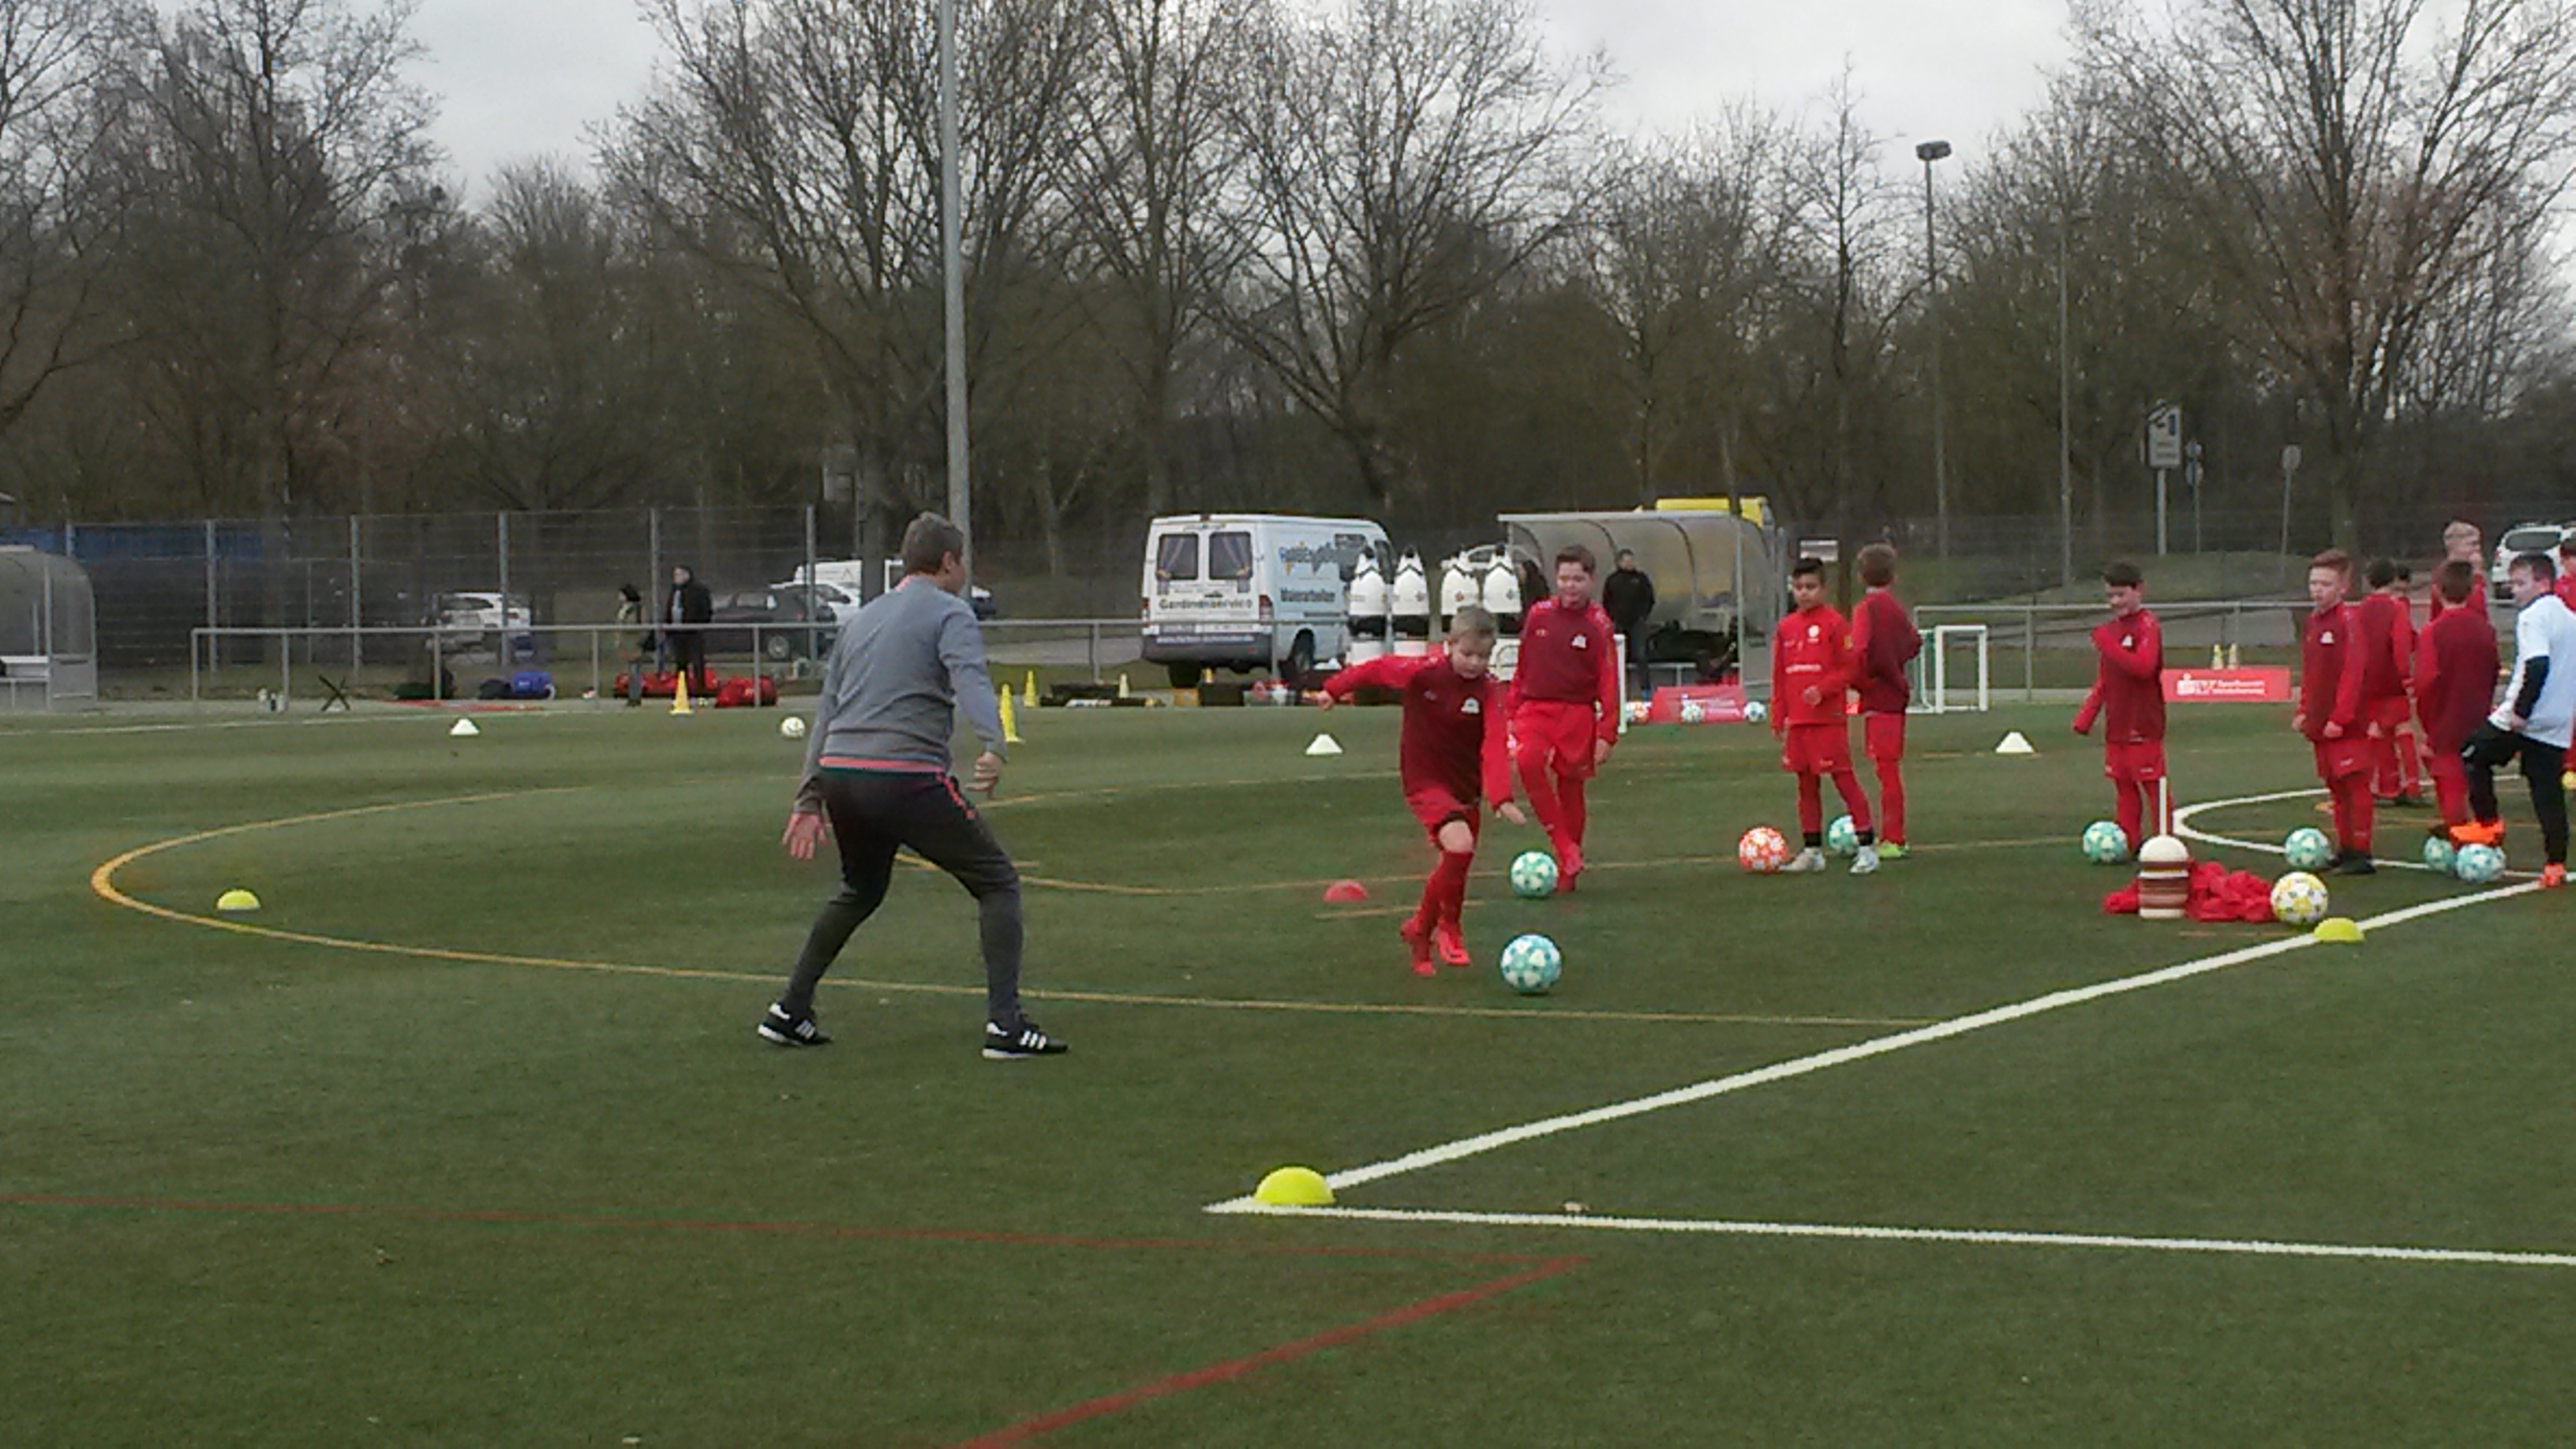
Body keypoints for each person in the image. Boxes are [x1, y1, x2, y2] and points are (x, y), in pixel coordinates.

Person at [758, 513, 1066, 1058]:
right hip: (903, 776)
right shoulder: (951, 613)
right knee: (997, 883)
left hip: (841, 776)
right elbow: (970, 676)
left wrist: (809, 796)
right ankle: (1006, 1025)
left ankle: (790, 1009)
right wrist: (993, 744)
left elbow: (828, 709)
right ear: (948, 562)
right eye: (962, 561)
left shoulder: (862, 619)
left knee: (860, 889)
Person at [1318, 607, 1529, 975]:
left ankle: (1420, 932)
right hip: (1425, 781)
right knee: (1459, 845)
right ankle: (1450, 929)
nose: (1474, 664)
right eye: (1467, 654)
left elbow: (1495, 745)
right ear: (1449, 645)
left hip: (1466, 788)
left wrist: (1500, 797)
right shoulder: (1423, 674)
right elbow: (1375, 669)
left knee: (1456, 867)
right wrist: (1334, 689)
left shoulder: (1491, 691)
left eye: (1482, 657)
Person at [2458, 551, 2574, 887]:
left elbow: (2537, 666)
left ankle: (2488, 823)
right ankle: (2555, 863)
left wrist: (2521, 712)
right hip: (2556, 720)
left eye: (2521, 583)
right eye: (2513, 583)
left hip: (2526, 715)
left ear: (2543, 582)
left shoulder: (2533, 617)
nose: (2515, 590)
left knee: (2471, 752)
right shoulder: (2569, 618)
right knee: (2547, 792)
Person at [1508, 545, 1619, 889]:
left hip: (1577, 713)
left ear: (1591, 581)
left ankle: (1568, 868)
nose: (1570, 586)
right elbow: (1522, 665)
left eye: (1578, 579)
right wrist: (1510, 710)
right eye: (1564, 579)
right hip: (1535, 708)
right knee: (1527, 761)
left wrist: (1607, 732)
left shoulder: (1598, 624)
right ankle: (1562, 843)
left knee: (1571, 787)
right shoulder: (1539, 614)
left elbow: (1608, 680)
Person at [1772, 556, 1877, 875]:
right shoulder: (1786, 627)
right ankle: (1812, 850)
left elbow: (1850, 668)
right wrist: (1779, 714)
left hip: (1827, 719)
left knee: (1844, 780)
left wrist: (1824, 688)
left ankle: (1867, 847)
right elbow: (1780, 675)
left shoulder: (1834, 624)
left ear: (1823, 589)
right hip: (1799, 723)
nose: (1804, 593)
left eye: (1811, 587)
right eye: (1799, 587)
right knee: (1805, 786)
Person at [2071, 560, 2165, 853]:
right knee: (2123, 787)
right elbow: (2105, 680)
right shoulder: (2111, 630)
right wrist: (2086, 716)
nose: (2115, 602)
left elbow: (2144, 667)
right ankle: (2129, 842)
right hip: (2117, 723)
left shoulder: (2148, 625)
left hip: (2143, 723)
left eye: (2121, 595)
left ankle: (2165, 844)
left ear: (2139, 591)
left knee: (2153, 787)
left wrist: (2107, 645)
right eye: (2110, 596)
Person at [2294, 549, 2376, 874]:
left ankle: (2362, 851)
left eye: (2325, 584)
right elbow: (2310, 671)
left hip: (2346, 725)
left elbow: (2353, 672)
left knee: (2355, 787)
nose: (2317, 590)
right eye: (2314, 583)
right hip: (2320, 724)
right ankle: (2345, 847)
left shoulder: (2348, 621)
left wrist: (2340, 718)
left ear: (2343, 586)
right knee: (2336, 788)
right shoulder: (2313, 622)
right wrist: (2304, 710)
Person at [2417, 560, 2501, 842]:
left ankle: (2458, 832)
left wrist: (2429, 724)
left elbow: (2426, 681)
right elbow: (2493, 669)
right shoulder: (2483, 628)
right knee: (2476, 772)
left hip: (2445, 715)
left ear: (2437, 590)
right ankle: (2486, 828)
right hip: (2478, 712)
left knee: (2448, 775)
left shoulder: (2433, 631)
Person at [1848, 543, 1920, 859]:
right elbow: (1914, 642)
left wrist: (1861, 680)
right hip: (1894, 693)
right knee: (1887, 767)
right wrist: (1895, 663)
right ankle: (1893, 835)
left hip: (1880, 696)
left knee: (1885, 768)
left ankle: (1894, 837)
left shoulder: (1866, 609)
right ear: (1894, 576)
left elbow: (1861, 650)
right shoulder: (1894, 608)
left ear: (1861, 575)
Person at [2354, 557, 2422, 806]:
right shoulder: (2396, 608)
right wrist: (2406, 677)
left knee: (2376, 730)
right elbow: (2401, 646)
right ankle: (2411, 786)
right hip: (2392, 680)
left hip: (2368, 680)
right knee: (2403, 729)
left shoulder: (2360, 610)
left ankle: (2384, 785)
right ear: (2393, 579)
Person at [1602, 549, 1658, 702]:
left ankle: (1646, 691)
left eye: (1631, 560)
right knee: (1619, 658)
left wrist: (1642, 616)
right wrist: (1613, 618)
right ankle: (1619, 692)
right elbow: (1607, 601)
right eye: (1626, 561)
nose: (1629, 563)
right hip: (1619, 623)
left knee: (1641, 655)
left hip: (1637, 623)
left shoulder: (1641, 579)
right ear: (1619, 563)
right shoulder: (1613, 580)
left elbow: (1649, 599)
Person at [665, 563, 713, 697]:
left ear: (687, 575)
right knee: (681, 663)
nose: (676, 577)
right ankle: (682, 692)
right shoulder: (674, 591)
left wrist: (699, 624)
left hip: (693, 633)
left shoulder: (698, 590)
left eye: (679, 574)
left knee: (697, 662)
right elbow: (670, 609)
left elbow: (706, 610)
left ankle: (700, 692)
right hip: (677, 633)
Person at [2426, 520, 2484, 623]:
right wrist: (2477, 574)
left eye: (2478, 544)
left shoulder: (2468, 571)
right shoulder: (2443, 575)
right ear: (2455, 546)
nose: (2477, 548)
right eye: (2472, 544)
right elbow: (2476, 607)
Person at [616, 583, 647, 707]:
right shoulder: (624, 608)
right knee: (630, 672)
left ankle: (635, 697)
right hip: (626, 645)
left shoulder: (636, 609)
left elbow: (636, 624)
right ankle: (632, 695)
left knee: (635, 671)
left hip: (634, 644)